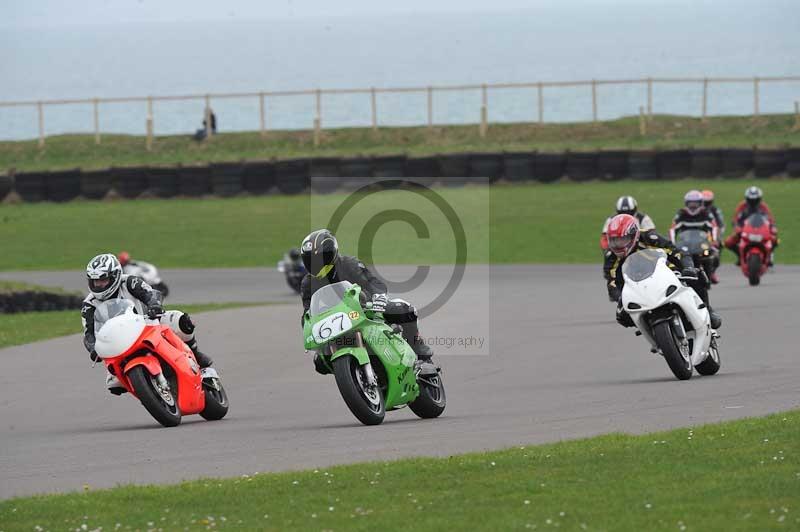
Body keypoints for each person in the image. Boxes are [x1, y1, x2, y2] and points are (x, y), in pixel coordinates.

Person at [298, 229, 435, 375]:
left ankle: (422, 356)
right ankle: (351, 373)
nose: (315, 264)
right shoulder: (308, 284)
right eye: (310, 259)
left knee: (403, 309)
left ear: (332, 254)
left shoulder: (349, 264)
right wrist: (308, 328)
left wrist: (379, 297)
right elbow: (308, 313)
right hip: (336, 325)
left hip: (367, 310)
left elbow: (374, 284)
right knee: (320, 362)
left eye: (320, 258)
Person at [81, 253, 212, 395]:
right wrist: (93, 349)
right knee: (114, 383)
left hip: (149, 323)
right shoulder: (89, 304)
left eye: (103, 280)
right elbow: (88, 333)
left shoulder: (129, 281)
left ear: (115, 276)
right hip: (119, 342)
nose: (99, 285)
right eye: (95, 281)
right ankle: (147, 390)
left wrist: (154, 305)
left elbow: (151, 293)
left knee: (182, 321)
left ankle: (196, 353)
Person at [605, 214, 722, 330]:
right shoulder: (611, 256)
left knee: (696, 275)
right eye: (614, 240)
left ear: (633, 235)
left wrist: (688, 267)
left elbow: (677, 252)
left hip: (664, 272)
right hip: (636, 285)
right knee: (622, 317)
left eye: (622, 240)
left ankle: (707, 310)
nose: (618, 244)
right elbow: (612, 282)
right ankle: (653, 333)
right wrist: (620, 297)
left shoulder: (649, 237)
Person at [601, 196, 655, 300]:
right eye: (621, 212)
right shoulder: (611, 220)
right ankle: (615, 287)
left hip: (641, 249)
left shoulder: (643, 218)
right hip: (619, 248)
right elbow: (604, 237)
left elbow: (652, 234)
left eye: (630, 212)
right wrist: (609, 250)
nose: (626, 215)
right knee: (610, 263)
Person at [669, 190, 720, 284]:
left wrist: (714, 240)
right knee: (677, 257)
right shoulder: (681, 213)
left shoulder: (706, 213)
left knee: (715, 253)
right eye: (690, 204)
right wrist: (672, 242)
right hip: (686, 243)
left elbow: (714, 226)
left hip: (702, 242)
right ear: (686, 203)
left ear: (700, 203)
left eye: (695, 204)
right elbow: (672, 229)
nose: (693, 206)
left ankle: (712, 272)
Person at [723, 186, 779, 264]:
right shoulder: (742, 206)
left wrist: (773, 227)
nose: (753, 202)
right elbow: (735, 219)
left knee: (775, 240)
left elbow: (770, 219)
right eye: (751, 200)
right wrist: (737, 228)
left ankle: (769, 256)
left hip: (761, 230)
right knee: (728, 242)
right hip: (745, 230)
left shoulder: (763, 207)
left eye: (755, 200)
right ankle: (740, 256)